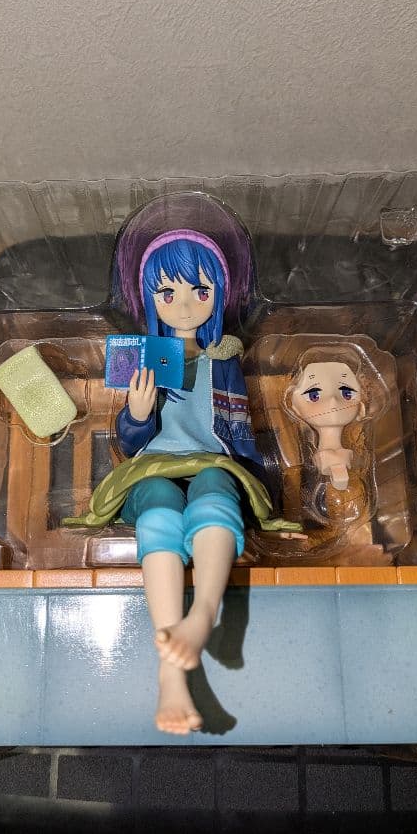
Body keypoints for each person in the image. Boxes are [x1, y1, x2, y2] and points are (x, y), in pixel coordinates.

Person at [114, 229, 277, 735]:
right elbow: (128, 440)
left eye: (200, 291)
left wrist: (259, 489)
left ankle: (202, 614)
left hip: (214, 462)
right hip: (152, 467)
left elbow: (239, 429)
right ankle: (171, 671)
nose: (184, 305)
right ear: (149, 299)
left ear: (219, 295)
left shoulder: (223, 359)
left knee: (213, 493)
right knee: (159, 506)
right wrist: (137, 412)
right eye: (168, 292)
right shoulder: (142, 357)